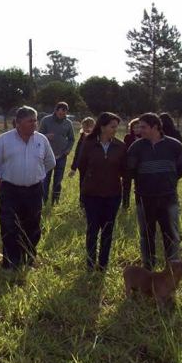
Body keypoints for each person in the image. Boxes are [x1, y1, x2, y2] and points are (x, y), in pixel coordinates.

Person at [0, 106, 55, 269]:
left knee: (32, 227)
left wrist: (36, 175)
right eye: (30, 121)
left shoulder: (41, 140)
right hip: (10, 191)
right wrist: (2, 189)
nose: (34, 124)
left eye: (35, 120)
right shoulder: (4, 140)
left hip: (34, 191)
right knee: (9, 227)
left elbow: (50, 162)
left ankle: (28, 260)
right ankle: (10, 263)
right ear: (18, 123)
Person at [127, 113, 182, 270]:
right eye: (139, 127)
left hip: (168, 198)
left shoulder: (175, 146)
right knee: (146, 235)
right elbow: (131, 170)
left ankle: (172, 269)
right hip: (144, 198)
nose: (139, 130)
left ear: (155, 127)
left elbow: (181, 168)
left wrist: (167, 181)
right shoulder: (136, 147)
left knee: (171, 234)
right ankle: (148, 267)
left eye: (143, 127)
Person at [76, 112, 127, 271]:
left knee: (107, 231)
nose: (115, 130)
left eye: (116, 127)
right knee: (92, 230)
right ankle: (90, 263)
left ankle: (103, 264)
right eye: (112, 126)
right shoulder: (88, 143)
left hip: (113, 195)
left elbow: (124, 170)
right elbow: (82, 166)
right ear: (103, 127)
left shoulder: (120, 146)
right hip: (92, 195)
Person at [39, 102, 75, 205]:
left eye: (64, 113)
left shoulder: (68, 123)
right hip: (47, 156)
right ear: (55, 110)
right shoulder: (46, 120)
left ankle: (55, 202)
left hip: (62, 156)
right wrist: (46, 136)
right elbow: (38, 135)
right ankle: (43, 201)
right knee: (45, 180)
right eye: (60, 113)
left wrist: (68, 149)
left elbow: (71, 139)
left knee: (58, 181)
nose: (62, 115)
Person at [68, 116, 95, 208]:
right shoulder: (82, 137)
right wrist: (73, 168)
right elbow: (78, 153)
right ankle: (82, 203)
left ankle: (92, 203)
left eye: (89, 126)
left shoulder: (98, 138)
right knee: (83, 184)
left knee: (93, 185)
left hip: (94, 166)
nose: (87, 129)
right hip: (83, 166)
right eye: (85, 126)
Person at [122, 117, 141, 209]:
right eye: (134, 127)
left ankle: (139, 205)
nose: (136, 129)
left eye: (138, 127)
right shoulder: (128, 137)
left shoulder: (145, 138)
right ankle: (125, 205)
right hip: (128, 165)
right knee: (126, 187)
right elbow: (126, 150)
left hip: (140, 166)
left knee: (139, 187)